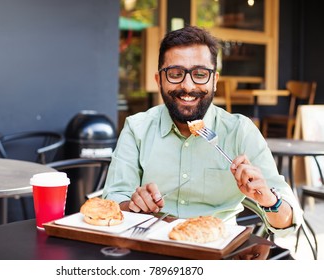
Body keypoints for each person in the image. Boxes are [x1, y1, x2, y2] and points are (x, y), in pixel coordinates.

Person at [102, 25, 302, 236]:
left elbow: (287, 224)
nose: (188, 86)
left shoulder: (240, 132)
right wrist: (133, 206)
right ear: (159, 80)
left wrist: (269, 199)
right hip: (152, 243)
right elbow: (113, 201)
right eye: (175, 74)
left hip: (218, 247)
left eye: (199, 74)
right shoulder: (137, 128)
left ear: (214, 81)